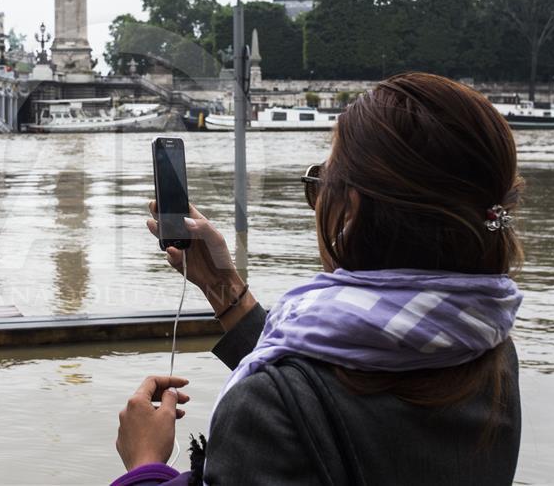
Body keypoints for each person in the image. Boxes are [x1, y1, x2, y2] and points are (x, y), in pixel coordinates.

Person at [111, 73, 524, 485]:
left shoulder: (264, 407)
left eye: (320, 185)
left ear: (352, 212)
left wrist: (145, 464)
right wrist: (224, 288)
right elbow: (336, 387)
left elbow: (305, 402)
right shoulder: (489, 349)